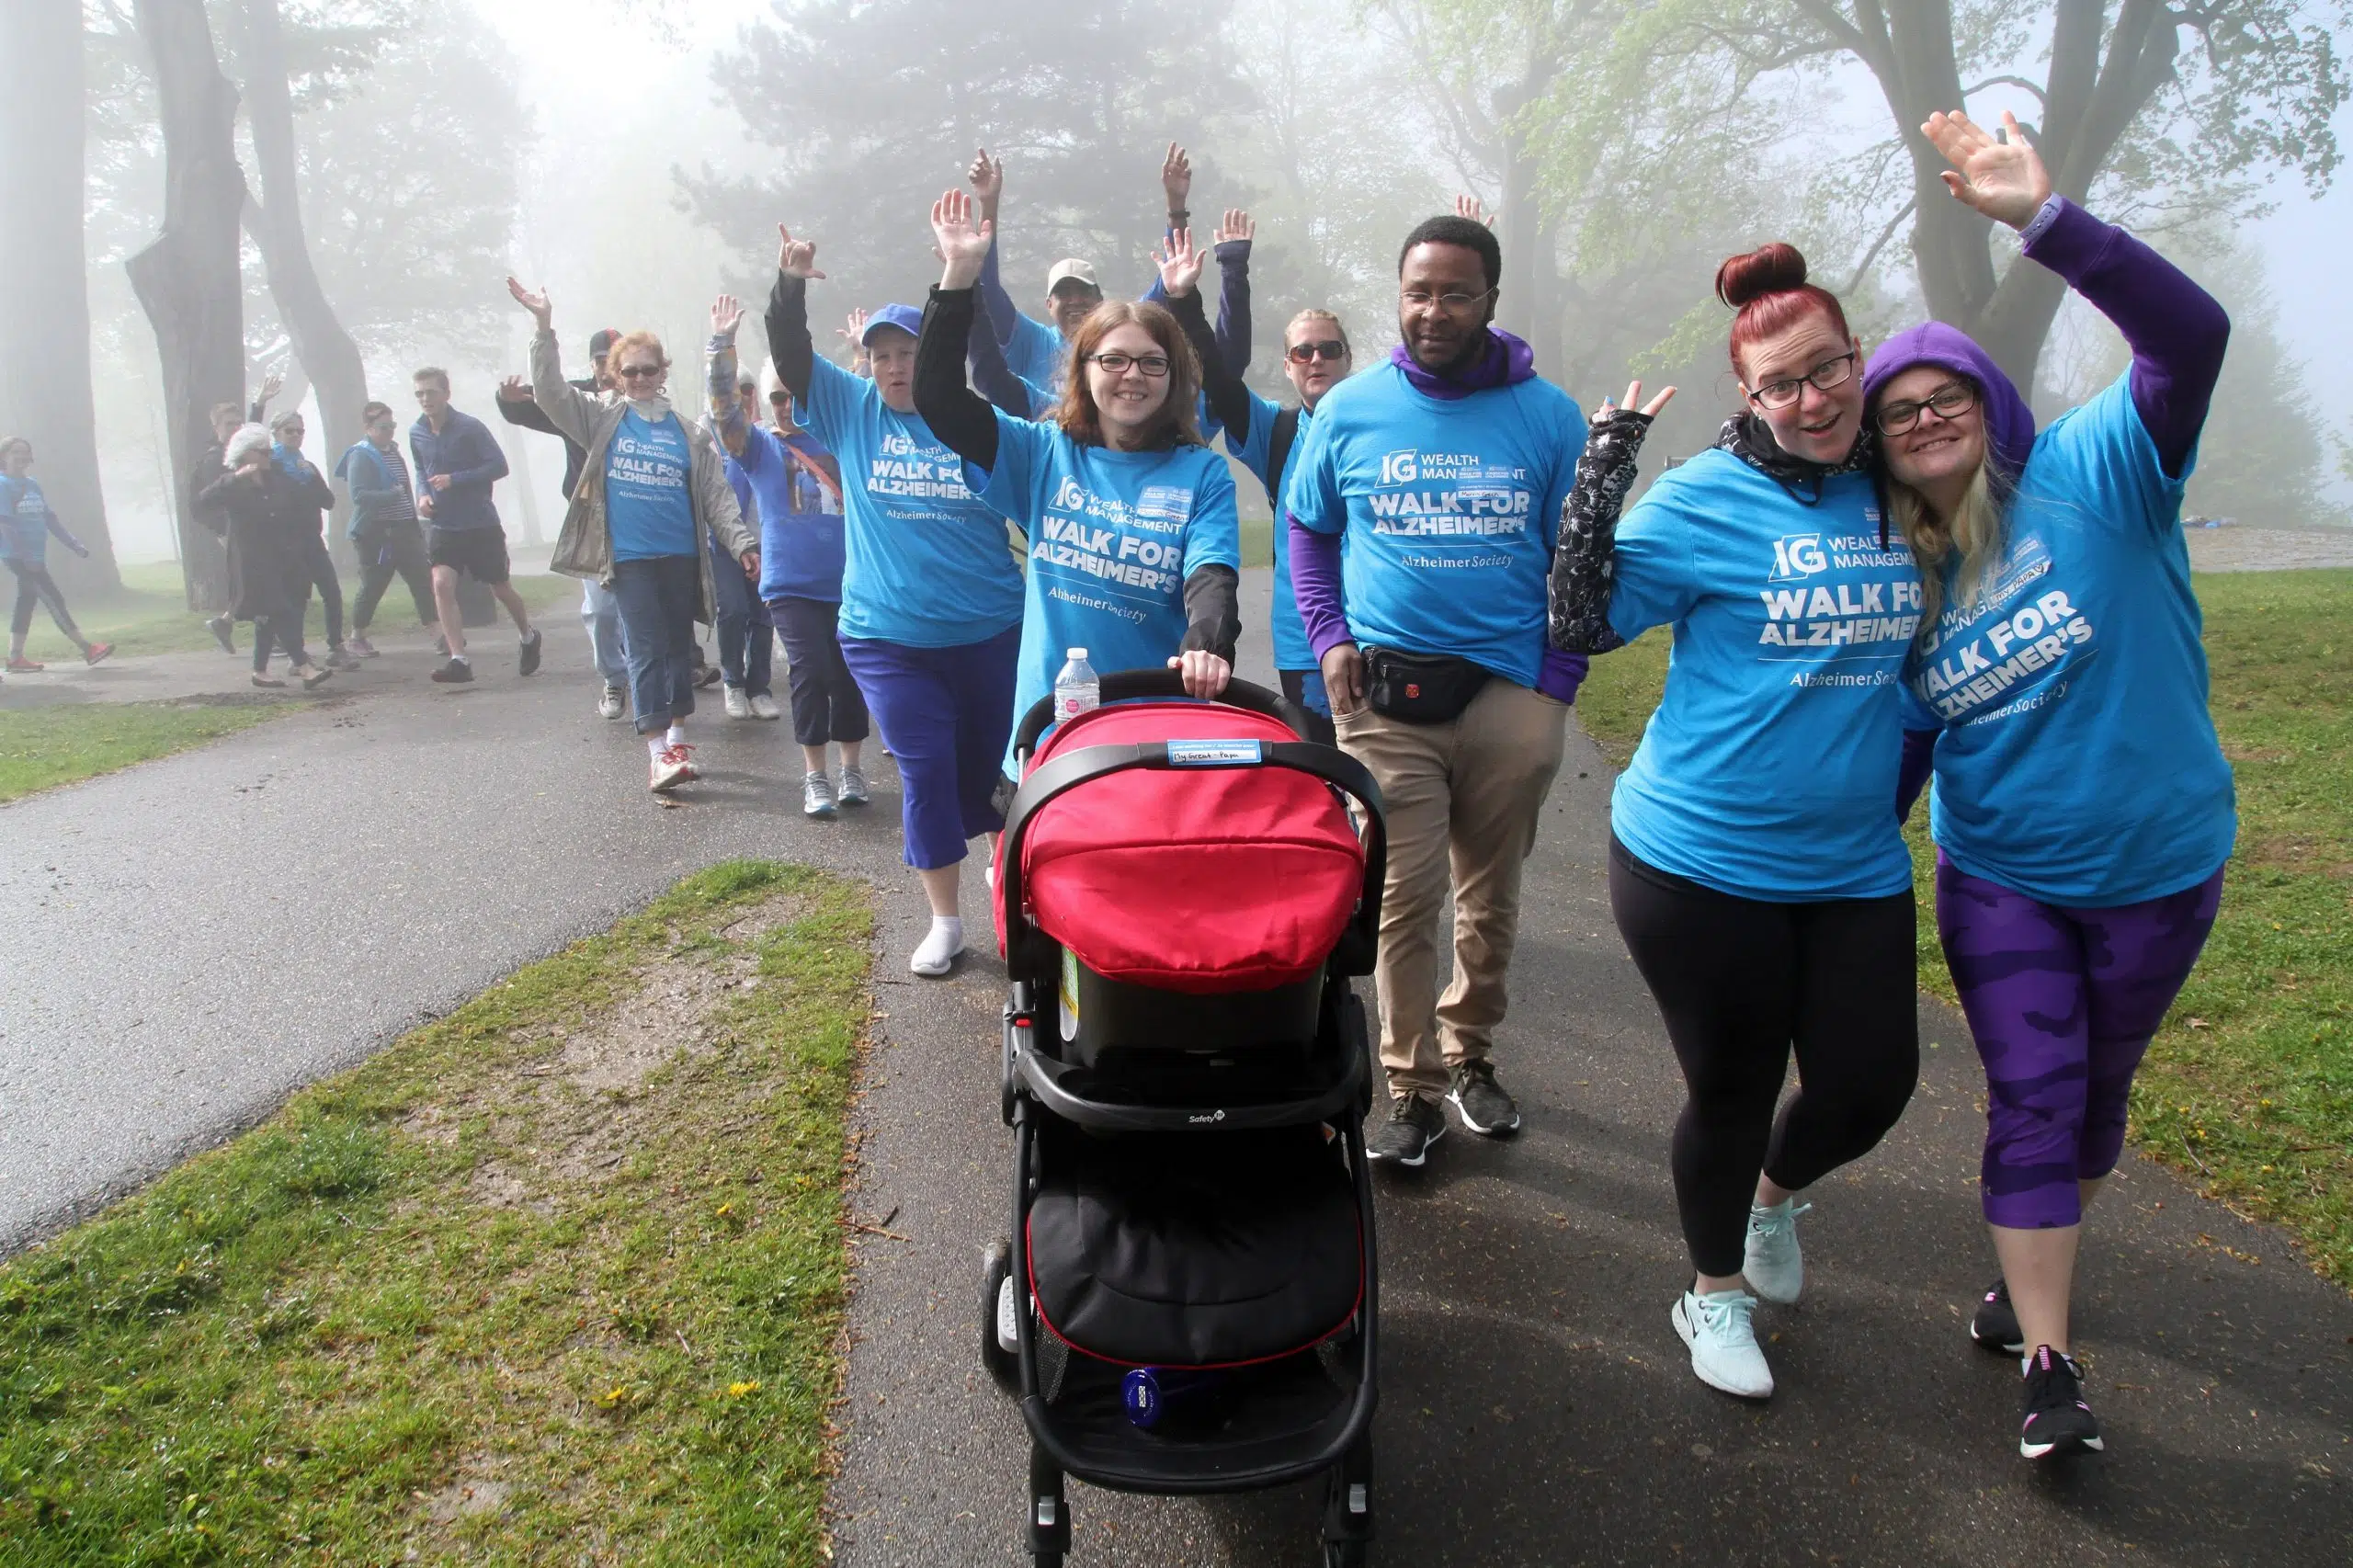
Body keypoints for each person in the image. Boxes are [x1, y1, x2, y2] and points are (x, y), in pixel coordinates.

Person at [1863, 110, 2234, 1462]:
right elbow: (1895, 764)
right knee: (2034, 1093)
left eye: (1948, 389)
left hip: (2161, 868)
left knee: (2095, 1102)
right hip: (2005, 879)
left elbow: (2193, 341)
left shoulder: (2103, 471)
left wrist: (2045, 219)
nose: (1927, 413)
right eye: (1899, 411)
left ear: (1993, 401)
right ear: (1884, 448)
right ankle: (2050, 1361)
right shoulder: (1901, 592)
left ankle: (2030, 1267)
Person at [1548, 247, 1924, 1403]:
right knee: (1733, 1082)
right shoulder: (1706, 498)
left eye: (1827, 370)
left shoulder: (1899, 484)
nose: (1810, 400)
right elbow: (1581, 619)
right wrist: (1604, 467)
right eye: (1780, 384)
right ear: (1747, 397)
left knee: (1871, 1084)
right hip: (1698, 857)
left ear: (1860, 359)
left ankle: (1771, 1200)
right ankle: (1709, 1291)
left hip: (1853, 857)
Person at [1286, 213, 1586, 1171]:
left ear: (1490, 299)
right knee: (1403, 900)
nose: (1435, 309)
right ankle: (1410, 1086)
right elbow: (1306, 527)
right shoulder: (1350, 409)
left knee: (1487, 897)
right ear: (1398, 295)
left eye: (1457, 291)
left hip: (1509, 690)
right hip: (1386, 698)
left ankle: (1472, 1056)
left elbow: (1579, 564)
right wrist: (1329, 636)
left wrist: (1554, 683)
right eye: (1419, 290)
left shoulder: (1548, 415)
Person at [764, 220, 1028, 977]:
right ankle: (944, 922)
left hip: (990, 632)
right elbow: (791, 358)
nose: (893, 366)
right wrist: (788, 288)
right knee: (925, 770)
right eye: (880, 354)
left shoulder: (982, 425)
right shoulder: (850, 409)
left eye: (907, 352)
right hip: (888, 637)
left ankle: (1009, 888)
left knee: (999, 773)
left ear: (931, 356)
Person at [917, 190, 1242, 780]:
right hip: (1048, 740)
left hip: (1156, 737)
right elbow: (939, 399)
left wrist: (1205, 645)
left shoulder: (1202, 472)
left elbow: (1211, 575)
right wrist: (959, 273)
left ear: (1173, 378)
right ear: (1084, 369)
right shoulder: (1041, 453)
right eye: (1113, 360)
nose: (1132, 377)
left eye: (1152, 363)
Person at [508, 278, 759, 791]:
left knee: (677, 649)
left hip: (681, 557)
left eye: (649, 369)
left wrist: (741, 543)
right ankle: (655, 752)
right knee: (643, 648)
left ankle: (678, 740)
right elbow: (550, 393)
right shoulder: (600, 420)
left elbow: (716, 495)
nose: (641, 377)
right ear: (615, 377)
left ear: (662, 371)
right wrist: (542, 328)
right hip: (628, 559)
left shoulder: (688, 432)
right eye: (631, 371)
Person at [1180, 210, 1352, 744]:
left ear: (1348, 359)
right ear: (1287, 364)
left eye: (1329, 349)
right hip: (1305, 643)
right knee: (1329, 782)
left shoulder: (1379, 424)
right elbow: (1221, 377)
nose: (1316, 358)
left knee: (1393, 789)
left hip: (1386, 635)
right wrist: (1218, 278)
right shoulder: (1273, 431)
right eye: (1303, 351)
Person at [707, 307, 872, 814]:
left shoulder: (841, 435)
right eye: (776, 397)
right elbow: (724, 413)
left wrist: (862, 354)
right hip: (790, 585)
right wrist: (721, 348)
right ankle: (814, 776)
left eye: (795, 395)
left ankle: (851, 768)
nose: (786, 406)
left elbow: (866, 405)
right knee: (810, 669)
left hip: (849, 581)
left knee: (847, 675)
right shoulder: (758, 448)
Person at [500, 331, 631, 718]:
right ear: (591, 364)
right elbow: (539, 400)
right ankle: (613, 677)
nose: (607, 366)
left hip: (639, 513)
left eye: (615, 358)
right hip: (592, 517)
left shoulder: (642, 399)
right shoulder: (577, 402)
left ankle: (662, 675)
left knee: (645, 604)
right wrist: (507, 403)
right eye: (600, 359)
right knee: (604, 611)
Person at [409, 367, 541, 685]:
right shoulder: (417, 432)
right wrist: (423, 496)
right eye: (420, 394)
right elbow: (420, 469)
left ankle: (528, 635)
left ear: (446, 394)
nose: (425, 399)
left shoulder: (470, 428)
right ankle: (459, 659)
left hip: (480, 522)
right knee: (441, 584)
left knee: (500, 588)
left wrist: (456, 479)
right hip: (443, 524)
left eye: (431, 392)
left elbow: (499, 466)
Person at [196, 424, 333, 690]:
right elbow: (203, 501)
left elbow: (303, 501)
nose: (270, 456)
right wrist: (235, 478)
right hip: (251, 562)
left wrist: (313, 481)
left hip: (282, 557)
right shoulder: (233, 484)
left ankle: (259, 671)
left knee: (269, 616)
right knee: (281, 611)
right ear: (247, 454)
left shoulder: (276, 479)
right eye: (264, 452)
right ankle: (304, 666)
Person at [335, 402, 439, 657]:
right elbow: (359, 496)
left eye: (392, 426)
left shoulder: (393, 451)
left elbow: (406, 484)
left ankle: (438, 634)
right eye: (383, 427)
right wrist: (391, 495)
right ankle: (357, 637)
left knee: (421, 581)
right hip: (377, 534)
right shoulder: (361, 455)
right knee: (374, 585)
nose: (389, 431)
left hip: (404, 528)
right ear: (368, 428)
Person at [0, 437, 112, 671]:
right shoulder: (3, 484)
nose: (21, 457)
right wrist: (26, 557)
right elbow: (6, 525)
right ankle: (87, 648)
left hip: (35, 556)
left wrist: (73, 544)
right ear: (3, 456)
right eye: (15, 452)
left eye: (25, 452)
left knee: (26, 601)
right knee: (53, 599)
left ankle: (15, 659)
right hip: (19, 556)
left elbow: (49, 518)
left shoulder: (32, 484)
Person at [707, 364, 779, 723]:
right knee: (733, 610)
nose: (742, 397)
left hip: (765, 540)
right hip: (723, 542)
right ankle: (733, 683)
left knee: (762, 616)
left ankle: (760, 688)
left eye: (748, 390)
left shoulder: (768, 437)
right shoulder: (707, 436)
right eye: (735, 390)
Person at [264, 409, 357, 671]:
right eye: (289, 430)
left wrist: (311, 479)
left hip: (312, 540)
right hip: (286, 543)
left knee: (332, 591)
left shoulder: (307, 466)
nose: (296, 436)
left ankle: (336, 646)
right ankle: (298, 655)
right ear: (277, 433)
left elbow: (328, 501)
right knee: (297, 599)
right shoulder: (272, 466)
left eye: (300, 431)